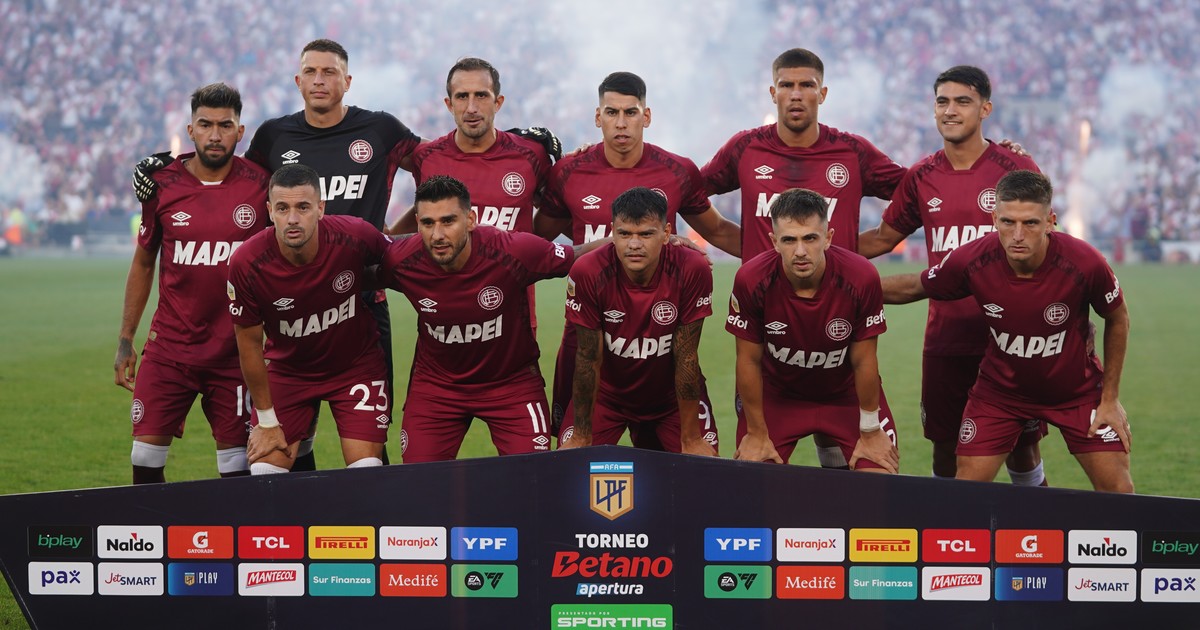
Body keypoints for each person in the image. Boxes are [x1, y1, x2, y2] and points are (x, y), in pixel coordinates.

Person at [134, 39, 422, 470]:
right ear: (297, 81)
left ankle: (368, 509)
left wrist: (396, 232)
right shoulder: (274, 135)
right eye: (311, 72)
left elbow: (440, 165)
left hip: (361, 303)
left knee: (368, 444)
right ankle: (303, 509)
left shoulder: (380, 129)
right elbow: (232, 176)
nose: (319, 80)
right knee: (291, 439)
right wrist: (163, 168)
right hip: (292, 303)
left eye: (329, 72)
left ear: (347, 81)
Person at [702, 48, 905, 468]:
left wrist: (863, 248)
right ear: (772, 92)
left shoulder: (851, 151)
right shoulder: (746, 148)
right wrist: (714, 241)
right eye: (787, 85)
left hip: (836, 317)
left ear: (822, 93)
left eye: (807, 85)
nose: (796, 94)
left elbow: (918, 192)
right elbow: (689, 190)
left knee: (872, 474)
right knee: (754, 481)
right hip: (771, 329)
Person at [881, 170, 1132, 492]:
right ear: (994, 219)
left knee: (1119, 492)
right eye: (1008, 222)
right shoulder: (974, 259)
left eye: (1030, 223)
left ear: (1050, 221)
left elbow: (1118, 318)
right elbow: (915, 286)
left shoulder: (1085, 262)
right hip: (1000, 395)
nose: (1018, 235)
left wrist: (1110, 399)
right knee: (964, 492)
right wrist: (853, 284)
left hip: (1076, 393)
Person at [858, 66, 1048, 486]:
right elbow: (884, 237)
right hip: (946, 336)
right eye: (942, 101)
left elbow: (1047, 240)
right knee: (945, 447)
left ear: (985, 109)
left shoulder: (1016, 166)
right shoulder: (922, 176)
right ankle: (947, 528)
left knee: (1021, 447)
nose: (950, 110)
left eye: (963, 101)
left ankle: (1036, 527)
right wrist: (826, 253)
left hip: (1011, 337)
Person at [535, 71, 740, 445]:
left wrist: (780, 255)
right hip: (588, 331)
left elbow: (720, 231)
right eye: (611, 112)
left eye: (630, 112)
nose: (621, 123)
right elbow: (537, 242)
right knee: (575, 460)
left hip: (658, 335)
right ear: (597, 117)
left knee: (672, 463)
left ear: (646, 116)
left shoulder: (677, 170)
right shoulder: (568, 172)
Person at [380, 175, 600, 462]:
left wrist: (637, 241)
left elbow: (578, 254)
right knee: (420, 482)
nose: (437, 235)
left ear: (470, 220)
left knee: (534, 479)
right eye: (428, 223)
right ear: (417, 224)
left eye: (448, 221)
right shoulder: (402, 261)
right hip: (437, 388)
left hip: (511, 385)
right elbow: (352, 270)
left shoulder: (512, 251)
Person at [113, 83, 269, 484]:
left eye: (225, 125)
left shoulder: (262, 185)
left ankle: (235, 530)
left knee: (237, 468)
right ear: (190, 129)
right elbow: (144, 261)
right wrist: (126, 338)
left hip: (236, 353)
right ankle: (158, 530)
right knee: (144, 458)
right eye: (205, 124)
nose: (215, 135)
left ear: (240, 131)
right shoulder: (161, 184)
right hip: (170, 349)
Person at [227, 164, 392, 474]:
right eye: (282, 208)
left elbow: (403, 264)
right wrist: (267, 422)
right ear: (269, 211)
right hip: (290, 371)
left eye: (303, 207)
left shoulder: (355, 235)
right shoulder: (246, 263)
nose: (292, 218)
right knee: (265, 474)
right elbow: (248, 345)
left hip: (355, 367)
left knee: (367, 468)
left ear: (320, 208)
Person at [727, 188, 899, 472]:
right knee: (754, 484)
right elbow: (748, 360)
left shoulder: (861, 276)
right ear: (774, 242)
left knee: (879, 479)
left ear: (828, 238)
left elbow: (864, 360)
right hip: (778, 396)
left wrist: (870, 430)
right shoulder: (751, 279)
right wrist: (756, 432)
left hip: (844, 394)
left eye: (810, 238)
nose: (800, 252)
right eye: (789, 240)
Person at [558, 187, 717, 456]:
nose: (634, 244)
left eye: (645, 234)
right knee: (571, 468)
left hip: (671, 399)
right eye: (624, 234)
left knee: (702, 470)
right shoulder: (588, 270)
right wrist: (582, 435)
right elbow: (587, 358)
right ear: (612, 232)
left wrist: (691, 438)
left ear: (666, 234)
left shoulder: (692, 268)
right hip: (606, 396)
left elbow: (686, 356)